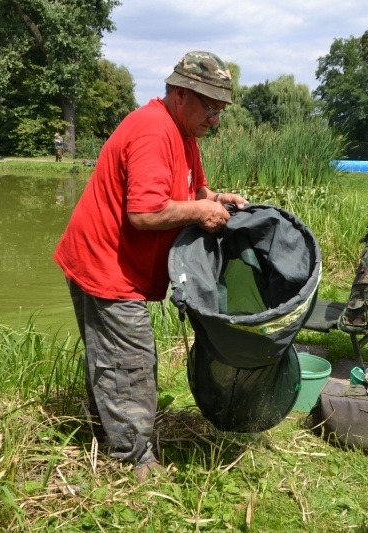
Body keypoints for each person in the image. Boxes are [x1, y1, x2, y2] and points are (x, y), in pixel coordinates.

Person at [53, 51, 247, 483]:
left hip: (105, 259)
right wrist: (198, 214)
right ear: (180, 94)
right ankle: (135, 461)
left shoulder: (184, 134)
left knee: (112, 356)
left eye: (221, 110)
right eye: (210, 107)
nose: (215, 119)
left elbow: (194, 187)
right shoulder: (154, 131)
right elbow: (143, 214)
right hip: (105, 264)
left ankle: (101, 425)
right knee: (131, 362)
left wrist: (214, 199)